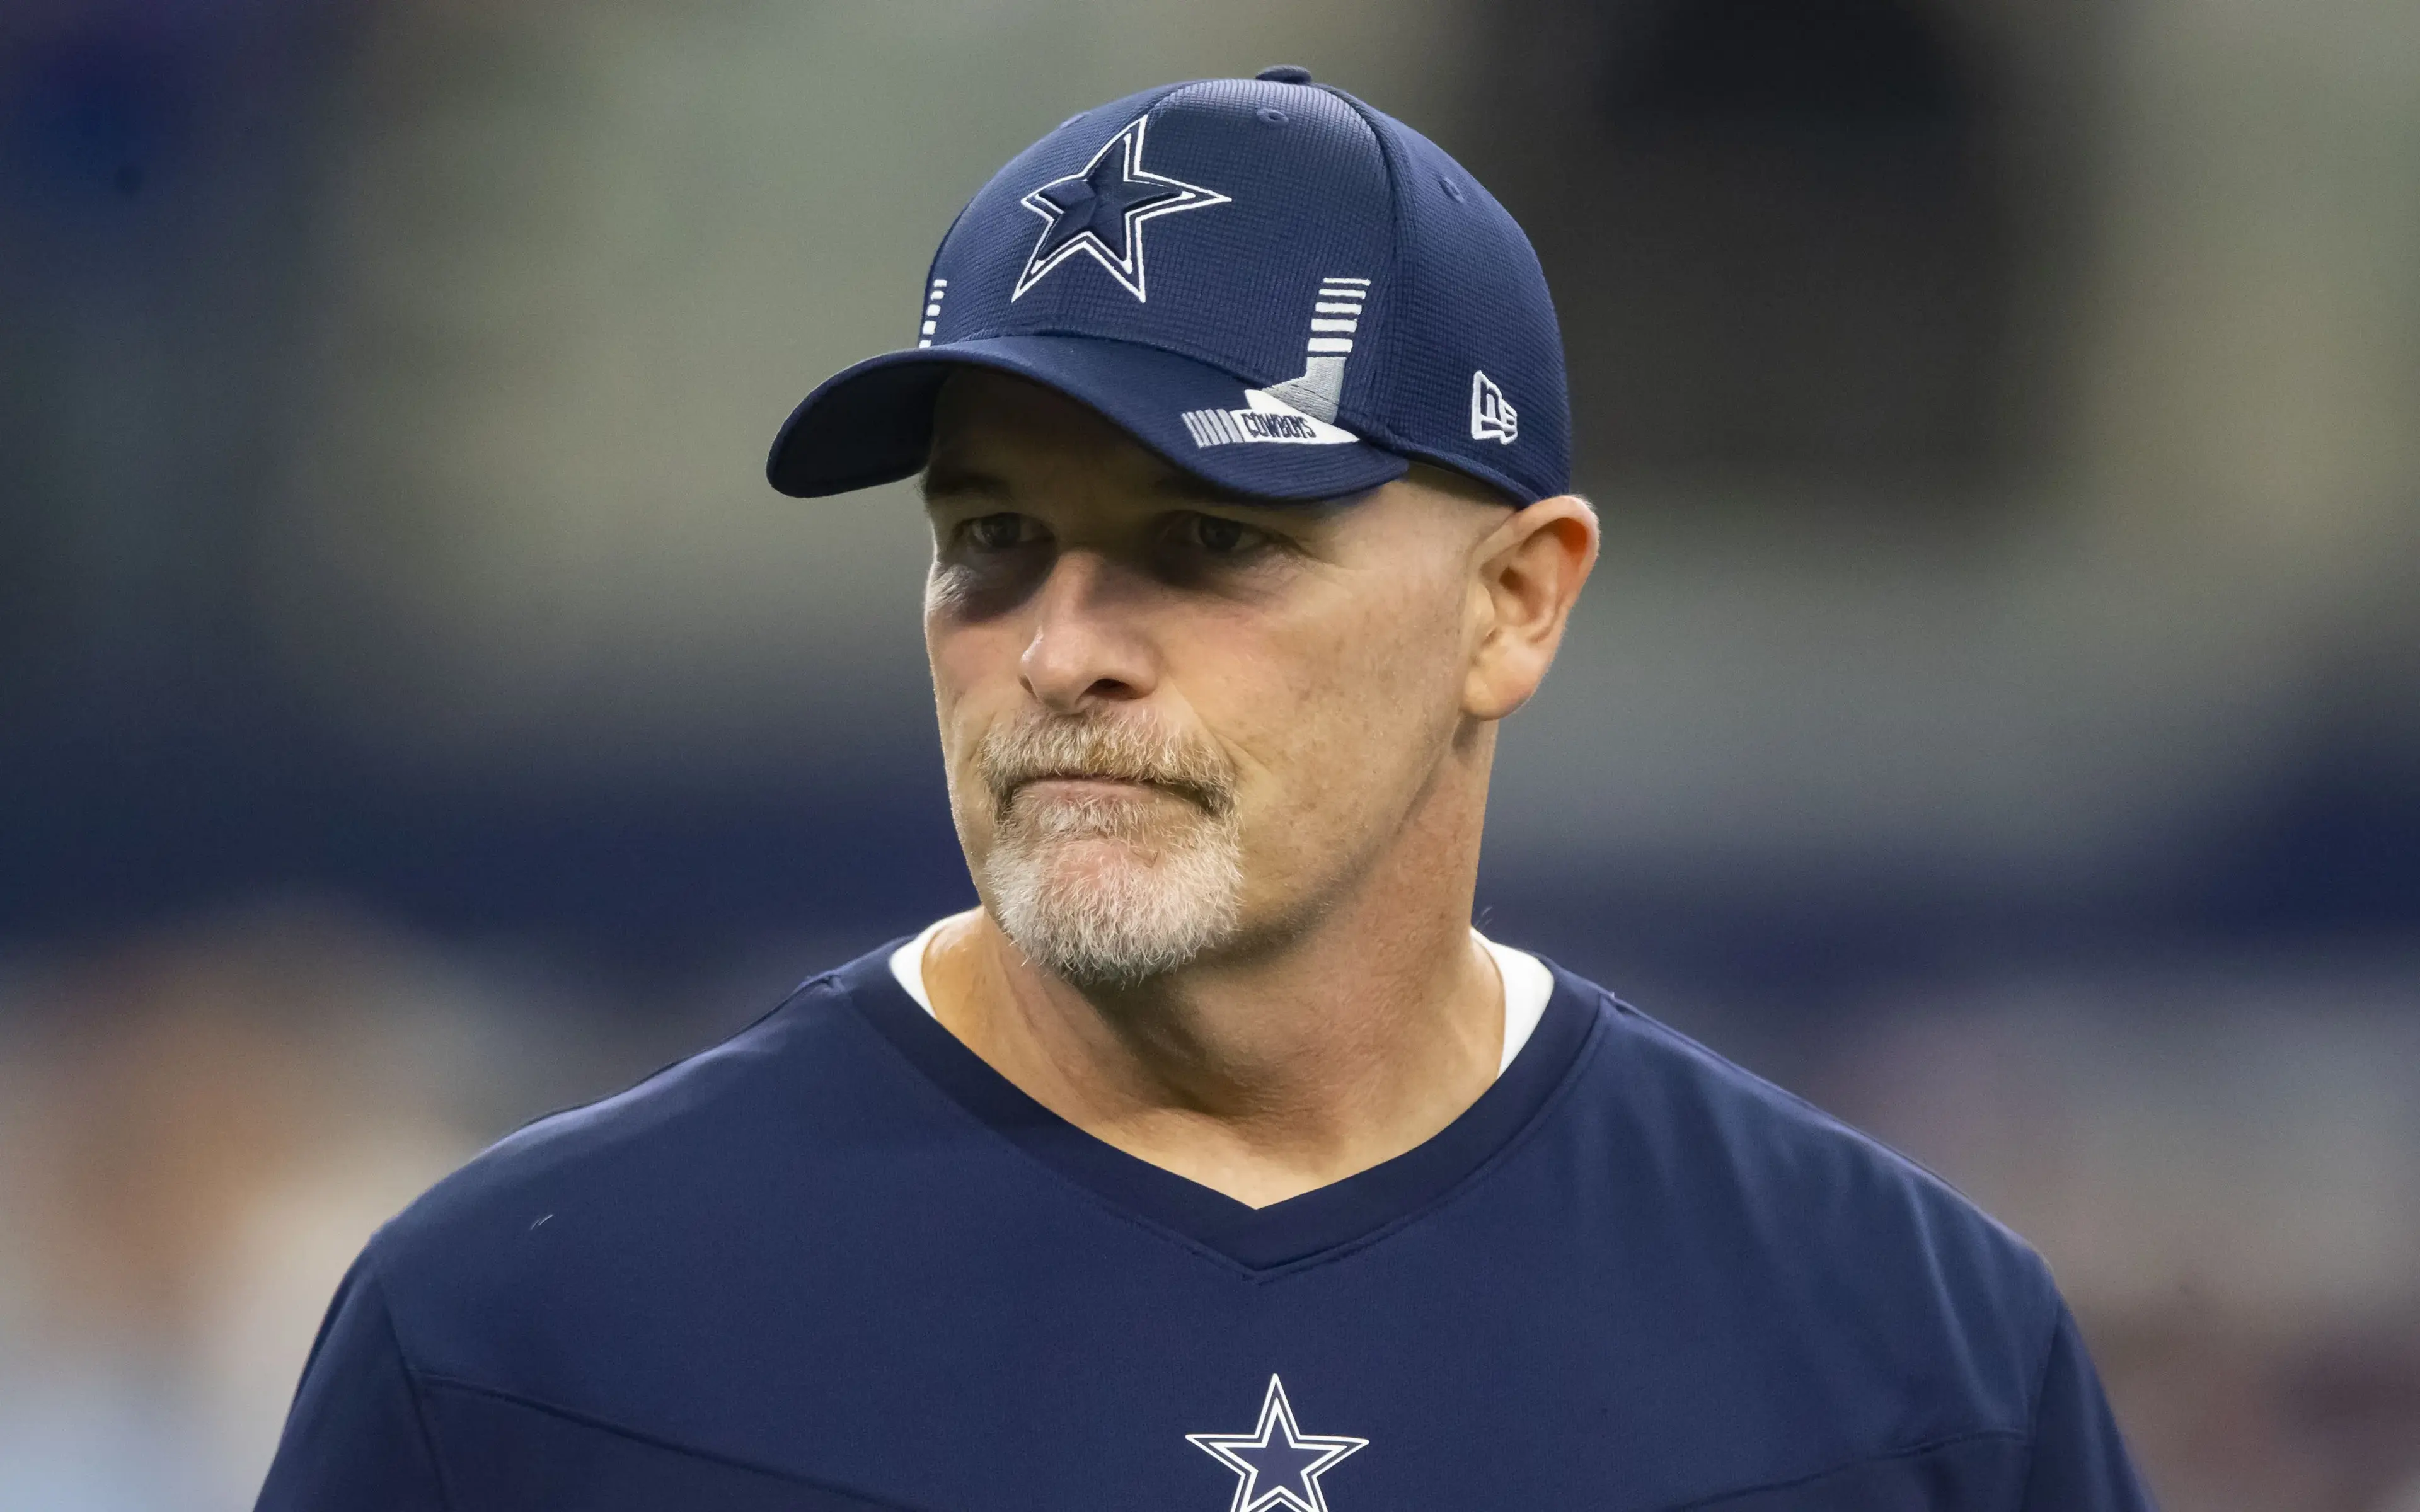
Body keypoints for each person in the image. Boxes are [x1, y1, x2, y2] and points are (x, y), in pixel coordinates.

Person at [256, 67, 2153, 1511]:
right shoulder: (526, 1332)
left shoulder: (1908, 1362)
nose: (1064, 646)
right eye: (990, 535)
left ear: (1515, 603)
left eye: (1207, 540)